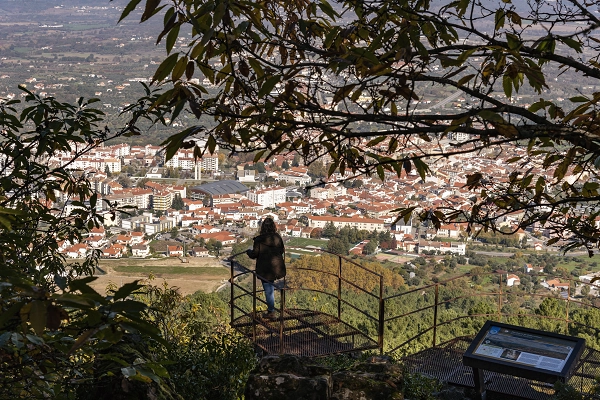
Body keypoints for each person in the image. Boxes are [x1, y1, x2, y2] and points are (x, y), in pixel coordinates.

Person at [246, 217, 286, 320]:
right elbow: (281, 250)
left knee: (268, 290)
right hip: (276, 267)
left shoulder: (259, 240)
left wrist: (248, 252)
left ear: (263, 227)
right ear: (273, 227)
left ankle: (271, 312)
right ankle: (272, 309)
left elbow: (254, 254)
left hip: (265, 268)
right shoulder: (277, 238)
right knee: (270, 289)